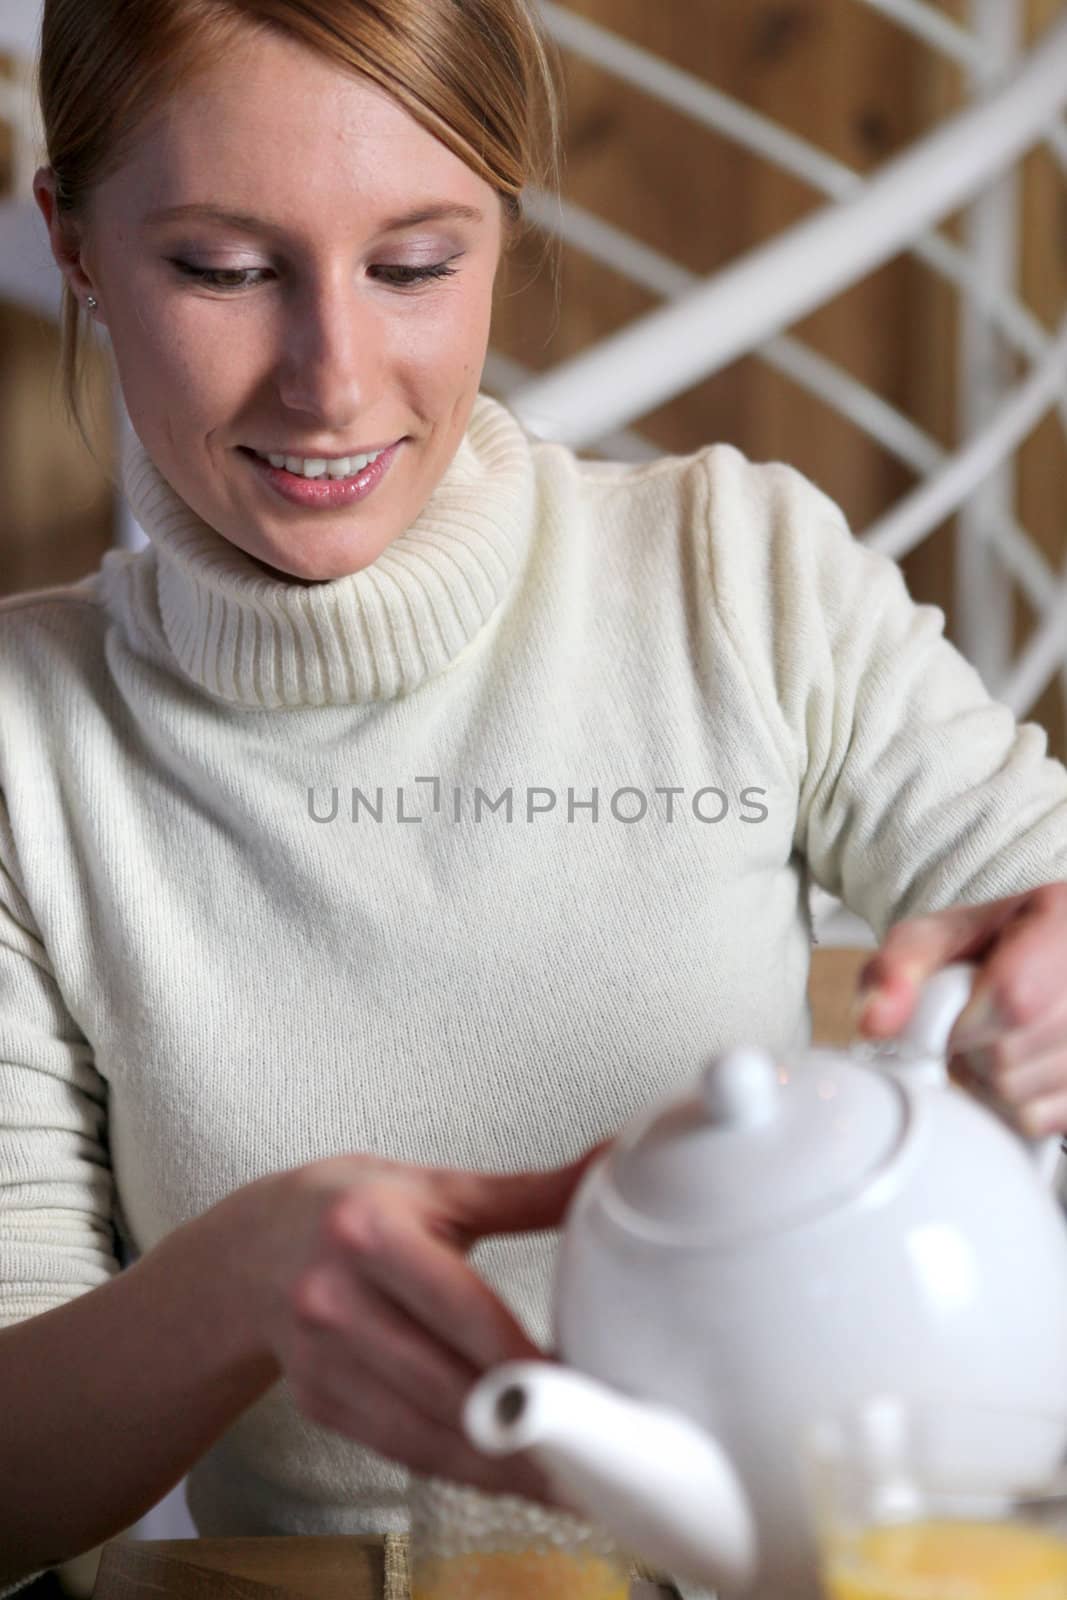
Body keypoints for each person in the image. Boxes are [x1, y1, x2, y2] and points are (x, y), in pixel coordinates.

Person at [3, 0, 1067, 1590]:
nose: (332, 382)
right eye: (224, 270)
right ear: (73, 247)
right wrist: (240, 1285)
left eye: (417, 264)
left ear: (503, 228)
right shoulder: (24, 749)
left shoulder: (740, 574)